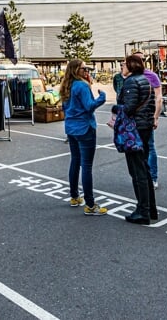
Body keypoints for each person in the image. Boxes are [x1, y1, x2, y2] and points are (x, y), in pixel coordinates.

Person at [60, 59, 107, 216]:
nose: (87, 71)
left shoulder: (67, 86)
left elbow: (64, 108)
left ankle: (74, 196)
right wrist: (102, 97)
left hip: (71, 128)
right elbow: (89, 106)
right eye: (84, 68)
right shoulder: (81, 86)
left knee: (75, 161)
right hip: (85, 128)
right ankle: (90, 204)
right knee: (86, 166)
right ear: (76, 70)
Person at [116, 54, 158, 224]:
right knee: (145, 168)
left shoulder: (131, 82)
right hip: (145, 126)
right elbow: (152, 103)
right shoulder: (145, 80)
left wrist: (116, 107)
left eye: (123, 64)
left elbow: (129, 107)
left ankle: (143, 210)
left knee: (137, 170)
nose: (121, 66)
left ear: (131, 65)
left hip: (134, 129)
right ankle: (151, 208)